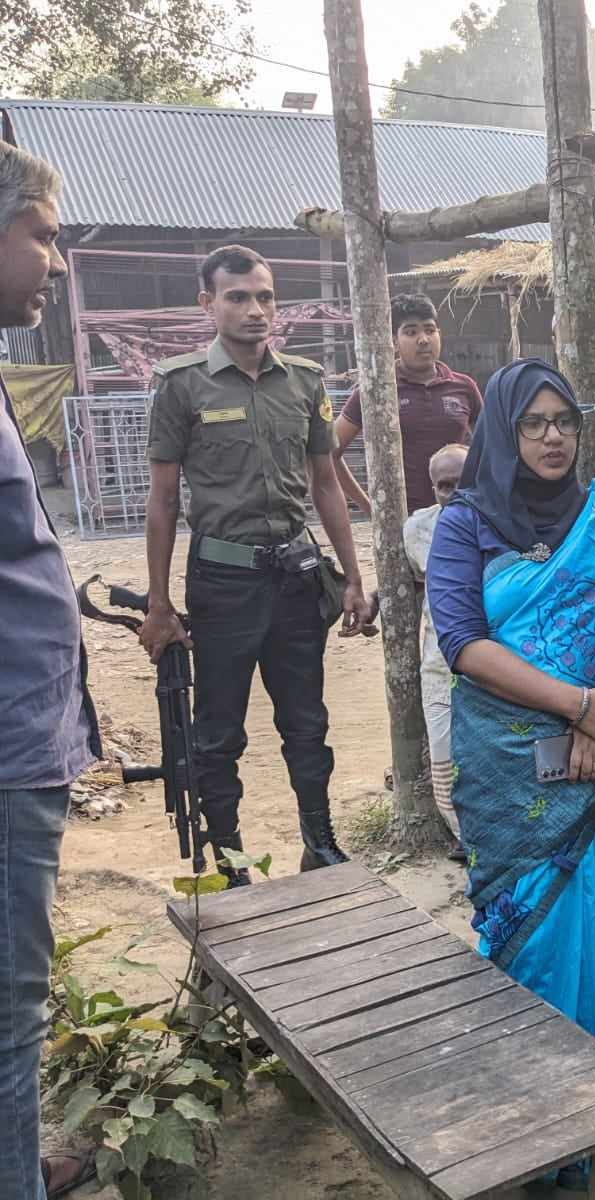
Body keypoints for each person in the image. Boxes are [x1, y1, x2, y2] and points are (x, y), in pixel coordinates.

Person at [427, 360, 595, 1173]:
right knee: (536, 928)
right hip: (508, 765)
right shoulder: (465, 525)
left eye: (564, 420)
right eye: (533, 423)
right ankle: (540, 1121)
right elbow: (464, 644)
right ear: (503, 429)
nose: (553, 437)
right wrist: (580, 706)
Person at [141, 244, 372, 884]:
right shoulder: (181, 384)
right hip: (223, 581)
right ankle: (232, 861)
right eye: (238, 296)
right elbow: (161, 501)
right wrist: (159, 604)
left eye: (265, 296)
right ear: (207, 303)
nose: (254, 309)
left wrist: (352, 576)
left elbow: (325, 483)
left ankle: (319, 842)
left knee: (307, 720)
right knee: (219, 731)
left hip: (297, 576)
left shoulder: (304, 380)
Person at [0, 145, 102, 1200]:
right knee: (9, 1003)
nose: (58, 263)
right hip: (3, 754)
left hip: (22, 741)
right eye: (42, 234)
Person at [331, 292, 483, 516]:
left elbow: (490, 448)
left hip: (460, 517)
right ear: (393, 340)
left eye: (430, 330)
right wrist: (368, 507)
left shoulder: (464, 387)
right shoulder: (376, 391)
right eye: (411, 332)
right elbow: (329, 451)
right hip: (399, 521)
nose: (423, 339)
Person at [402, 443, 469, 859]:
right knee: (443, 757)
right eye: (445, 487)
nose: (454, 494)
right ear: (433, 489)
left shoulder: (510, 523)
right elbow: (412, 583)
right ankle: (468, 838)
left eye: (463, 483)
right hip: (440, 664)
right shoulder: (418, 529)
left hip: (497, 664)